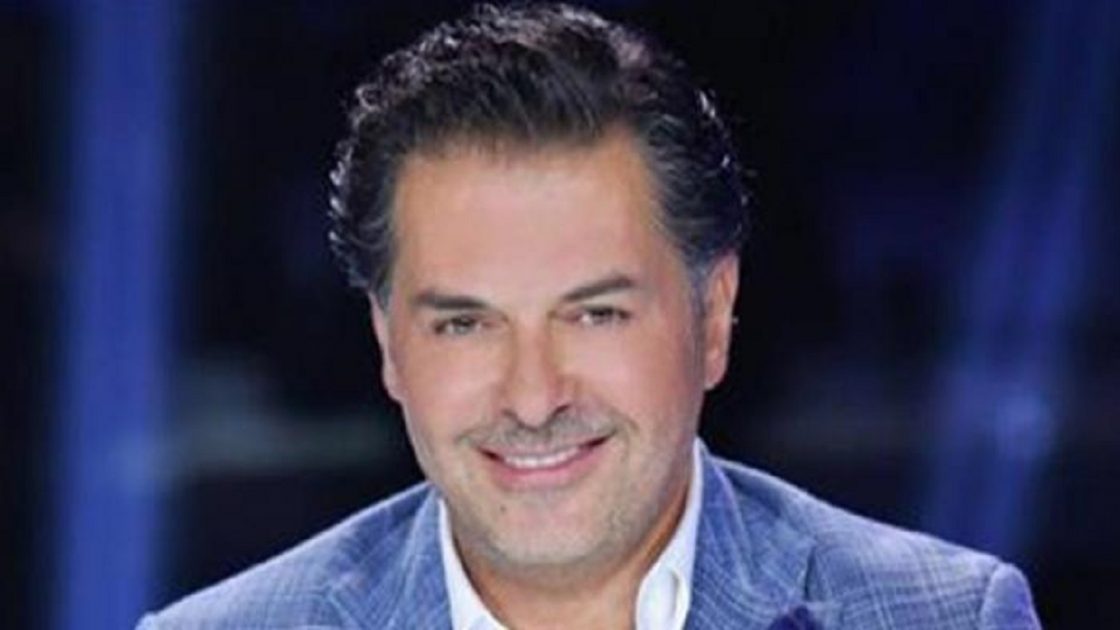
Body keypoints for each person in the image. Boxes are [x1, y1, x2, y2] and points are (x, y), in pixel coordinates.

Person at [139, 3, 1041, 628]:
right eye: (465, 324)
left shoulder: (945, 618)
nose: (534, 398)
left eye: (595, 314)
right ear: (388, 344)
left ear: (713, 316)